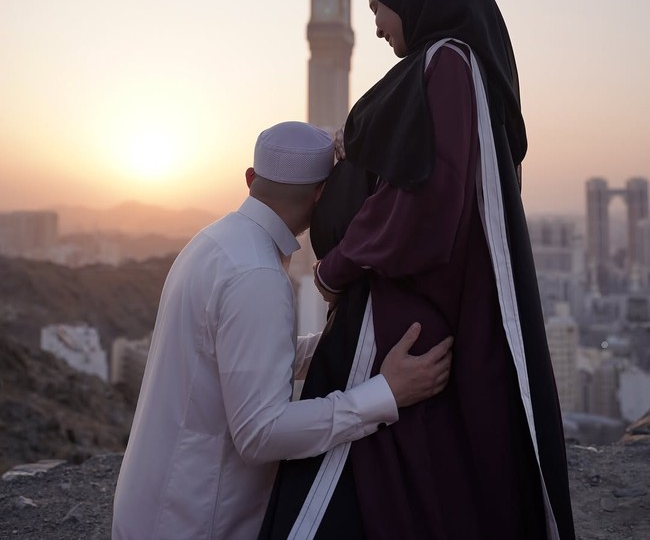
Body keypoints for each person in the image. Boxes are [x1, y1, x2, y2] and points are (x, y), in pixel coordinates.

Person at [259, 0, 575, 540]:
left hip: (399, 300)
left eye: (379, 7)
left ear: (415, 0)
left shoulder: (447, 63)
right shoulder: (440, 64)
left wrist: (338, 267)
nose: (374, 24)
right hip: (406, 295)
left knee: (381, 457)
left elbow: (427, 194)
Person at [111, 120, 453, 540]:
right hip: (194, 517)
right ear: (322, 195)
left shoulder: (214, 241)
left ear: (251, 178)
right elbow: (261, 433)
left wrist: (341, 344)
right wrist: (386, 394)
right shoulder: (255, 273)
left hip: (155, 501)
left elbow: (236, 360)